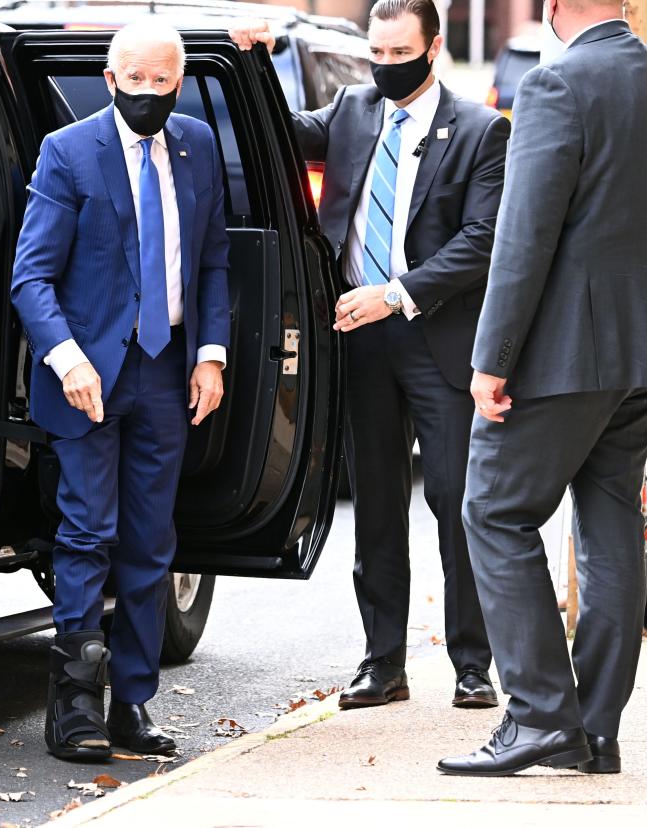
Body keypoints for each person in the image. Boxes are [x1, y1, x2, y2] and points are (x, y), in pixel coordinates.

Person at [438, 0, 647, 777]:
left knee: (492, 511)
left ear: (557, 9)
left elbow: (524, 233)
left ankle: (539, 720)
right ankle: (595, 729)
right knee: (609, 528)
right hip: (644, 357)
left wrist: (491, 358)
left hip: (562, 356)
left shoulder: (554, 86)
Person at [232, 0, 509, 712]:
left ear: (434, 48)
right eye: (378, 54)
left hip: (436, 338)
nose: (386, 67)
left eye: (399, 54)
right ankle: (382, 661)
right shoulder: (354, 109)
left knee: (455, 502)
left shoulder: (481, 131)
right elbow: (281, 136)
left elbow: (480, 240)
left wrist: (396, 295)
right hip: (357, 340)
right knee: (378, 506)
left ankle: (473, 665)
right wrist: (254, 61)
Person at [10, 19, 230, 762]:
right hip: (89, 377)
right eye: (131, 81)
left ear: (179, 80)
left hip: (168, 372)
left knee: (150, 540)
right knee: (86, 534)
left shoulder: (197, 147)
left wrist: (212, 354)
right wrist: (67, 360)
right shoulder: (68, 152)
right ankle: (74, 706)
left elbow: (214, 264)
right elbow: (31, 276)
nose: (145, 93)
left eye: (159, 82)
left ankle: (132, 704)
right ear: (109, 81)